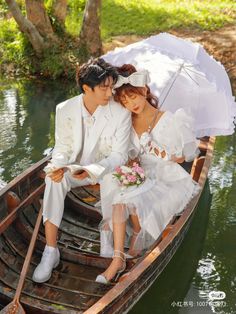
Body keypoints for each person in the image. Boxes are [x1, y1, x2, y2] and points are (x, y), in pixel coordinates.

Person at [96, 64, 200, 284]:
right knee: (116, 191)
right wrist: (132, 161)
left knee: (128, 196)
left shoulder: (170, 120)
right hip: (141, 172)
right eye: (124, 101)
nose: (130, 104)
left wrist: (169, 155)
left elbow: (188, 155)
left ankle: (136, 233)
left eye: (133, 97)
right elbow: (128, 153)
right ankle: (118, 259)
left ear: (144, 91)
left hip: (165, 176)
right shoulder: (127, 121)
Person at [32, 58, 131, 283]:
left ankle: (107, 234)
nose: (110, 93)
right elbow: (62, 147)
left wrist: (91, 170)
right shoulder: (65, 108)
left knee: (114, 178)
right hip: (72, 170)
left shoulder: (120, 114)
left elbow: (119, 155)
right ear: (87, 88)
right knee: (53, 181)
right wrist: (58, 166)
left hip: (103, 170)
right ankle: (51, 250)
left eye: (111, 87)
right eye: (104, 88)